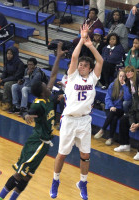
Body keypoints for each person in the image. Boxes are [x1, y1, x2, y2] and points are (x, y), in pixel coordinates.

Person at [0, 42, 66, 200]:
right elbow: (29, 112)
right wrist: (27, 116)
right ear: (41, 90)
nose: (47, 85)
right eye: (45, 85)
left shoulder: (49, 98)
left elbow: (53, 75)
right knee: (20, 173)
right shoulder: (39, 103)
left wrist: (58, 57)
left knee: (27, 176)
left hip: (43, 144)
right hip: (37, 143)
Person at [50, 24, 103, 200]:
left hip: (84, 121)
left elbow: (100, 61)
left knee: (85, 155)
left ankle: (83, 183)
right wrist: (82, 39)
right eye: (80, 64)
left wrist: (90, 46)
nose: (81, 66)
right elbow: (73, 56)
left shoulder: (93, 79)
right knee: (62, 154)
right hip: (70, 120)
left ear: (89, 68)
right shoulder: (72, 77)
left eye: (84, 65)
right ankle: (55, 180)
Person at [94, 69, 132, 145]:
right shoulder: (113, 84)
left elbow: (128, 98)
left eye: (123, 77)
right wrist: (111, 106)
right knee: (113, 117)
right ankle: (110, 138)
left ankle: (102, 130)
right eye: (120, 76)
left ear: (126, 78)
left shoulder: (127, 86)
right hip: (110, 107)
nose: (121, 78)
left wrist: (124, 86)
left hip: (120, 109)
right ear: (118, 76)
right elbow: (107, 98)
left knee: (113, 114)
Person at [114, 66, 139, 161]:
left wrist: (137, 125)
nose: (128, 74)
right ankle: (125, 144)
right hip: (136, 116)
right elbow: (132, 111)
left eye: (130, 72)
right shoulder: (136, 98)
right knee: (124, 119)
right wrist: (133, 122)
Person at [0, 46, 25, 111]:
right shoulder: (7, 61)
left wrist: (3, 80)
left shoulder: (20, 64)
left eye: (11, 54)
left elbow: (16, 77)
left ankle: (7, 103)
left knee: (7, 84)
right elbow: (4, 72)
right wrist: (0, 78)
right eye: (8, 53)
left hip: (17, 81)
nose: (8, 55)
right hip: (7, 78)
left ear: (15, 54)